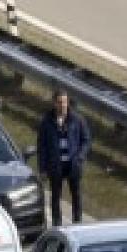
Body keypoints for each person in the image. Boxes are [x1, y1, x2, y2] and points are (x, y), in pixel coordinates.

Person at [35, 89, 91, 226]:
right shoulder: (46, 122)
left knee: (76, 195)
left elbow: (86, 140)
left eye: (65, 102)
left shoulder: (77, 120)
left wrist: (80, 156)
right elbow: (42, 146)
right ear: (54, 103)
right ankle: (57, 224)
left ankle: (78, 223)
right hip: (56, 165)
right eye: (60, 102)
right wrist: (42, 168)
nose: (63, 105)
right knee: (55, 196)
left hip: (73, 164)